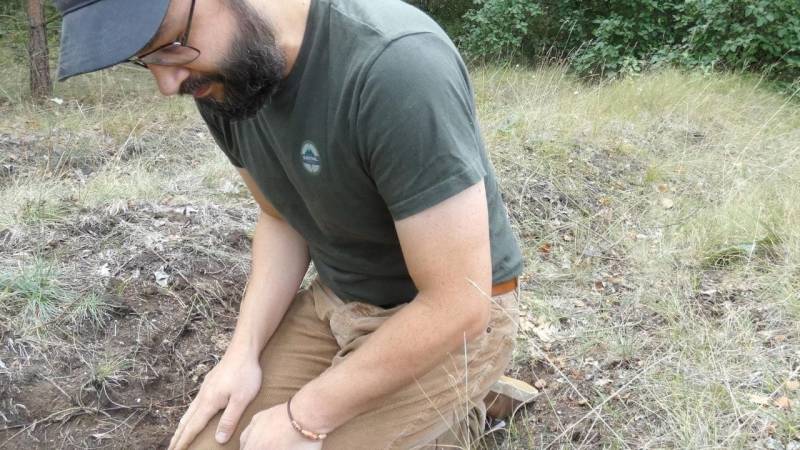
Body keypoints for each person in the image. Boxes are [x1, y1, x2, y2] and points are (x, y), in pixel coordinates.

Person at [53, 0, 524, 448]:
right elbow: (281, 215)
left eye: (170, 42)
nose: (167, 82)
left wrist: (307, 414)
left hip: (449, 321)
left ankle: (466, 409)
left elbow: (459, 303)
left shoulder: (396, 65)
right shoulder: (223, 76)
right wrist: (241, 354)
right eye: (145, 59)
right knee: (209, 442)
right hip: (339, 299)